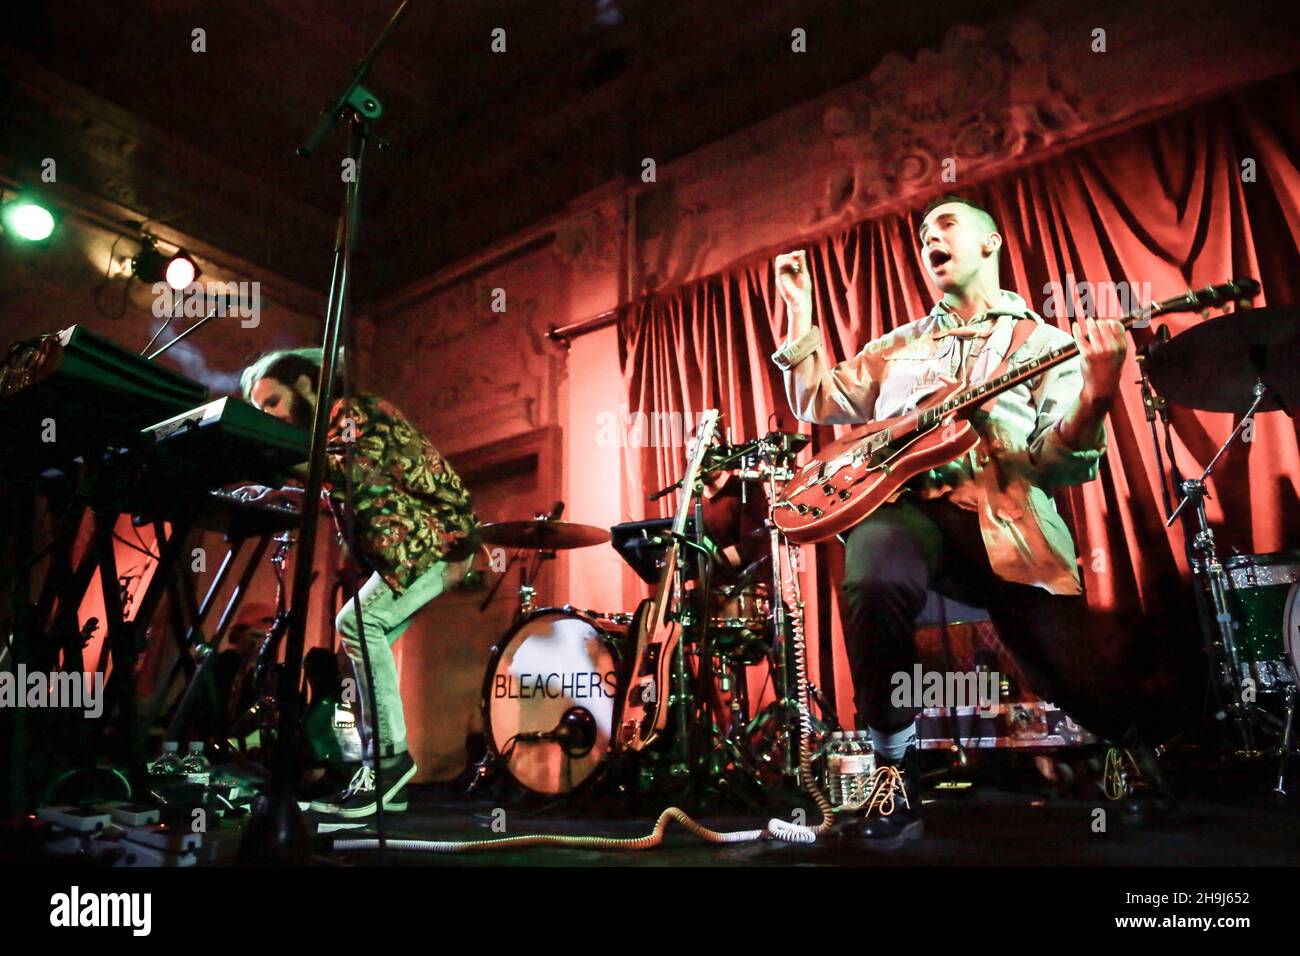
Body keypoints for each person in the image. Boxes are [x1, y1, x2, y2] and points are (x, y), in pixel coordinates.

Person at [772, 196, 1160, 847]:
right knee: (872, 578)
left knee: (1068, 670)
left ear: (991, 242)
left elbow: (1059, 463)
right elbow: (819, 397)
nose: (931, 238)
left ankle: (1131, 748)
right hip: (904, 510)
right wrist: (800, 310)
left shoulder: (1042, 342)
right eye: (924, 233)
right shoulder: (901, 345)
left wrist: (1096, 390)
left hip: (1004, 523)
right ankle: (895, 773)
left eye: (946, 225)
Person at [234, 349, 479, 818]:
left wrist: (266, 455)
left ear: (306, 386)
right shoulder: (329, 434)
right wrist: (271, 492)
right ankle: (387, 781)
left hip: (435, 540)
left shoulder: (354, 411)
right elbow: (342, 490)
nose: (270, 415)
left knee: (357, 624)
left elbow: (351, 476)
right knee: (367, 637)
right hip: (421, 545)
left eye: (272, 402)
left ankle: (388, 762)